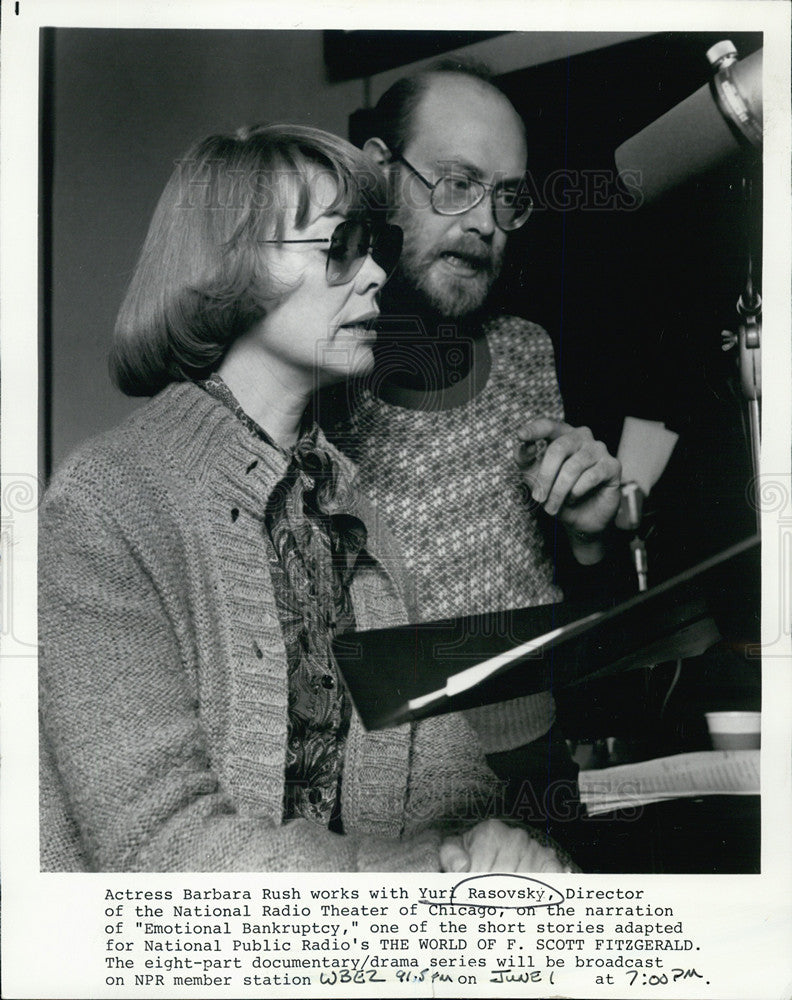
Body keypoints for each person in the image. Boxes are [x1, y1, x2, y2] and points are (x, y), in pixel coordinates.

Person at [38, 122, 575, 874]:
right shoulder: (104, 506)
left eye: (373, 247)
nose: (378, 276)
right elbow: (155, 847)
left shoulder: (347, 500)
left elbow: (439, 764)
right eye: (340, 247)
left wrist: (476, 840)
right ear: (229, 263)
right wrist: (397, 867)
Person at [322, 62, 623, 849]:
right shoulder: (315, 376)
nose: (486, 221)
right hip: (383, 817)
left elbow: (584, 611)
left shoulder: (530, 352)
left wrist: (593, 536)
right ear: (381, 175)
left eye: (507, 196)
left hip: (543, 781)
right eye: (455, 182)